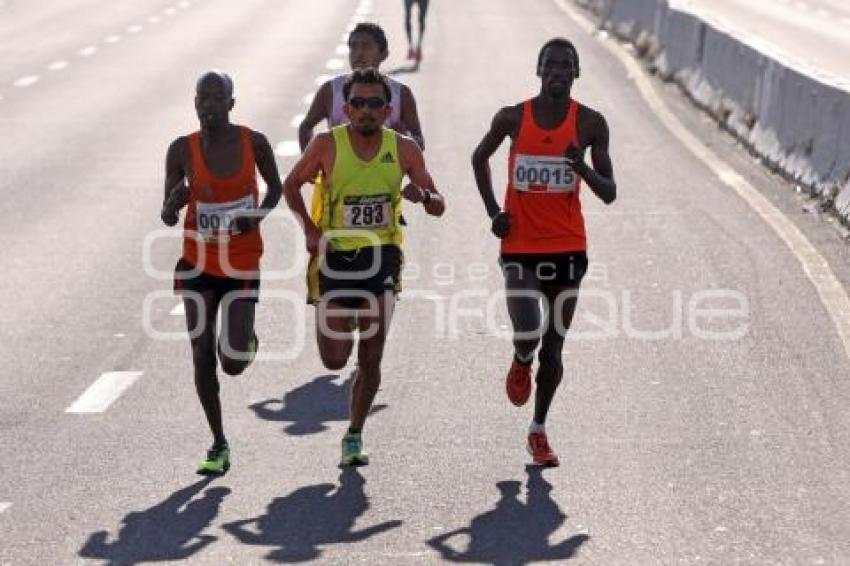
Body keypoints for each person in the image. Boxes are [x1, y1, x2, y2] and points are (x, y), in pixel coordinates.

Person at [284, 68, 445, 466]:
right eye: (358, 103)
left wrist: (422, 195)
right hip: (336, 258)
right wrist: (309, 227)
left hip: (382, 257)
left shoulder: (404, 149)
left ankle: (354, 434)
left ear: (388, 110)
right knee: (334, 360)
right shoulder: (326, 144)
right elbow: (291, 185)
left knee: (370, 358)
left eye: (375, 104)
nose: (366, 111)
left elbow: (440, 203)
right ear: (346, 108)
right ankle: (347, 323)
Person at [471, 38, 616, 467]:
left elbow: (609, 193)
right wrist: (494, 211)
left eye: (565, 66)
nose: (557, 71)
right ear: (538, 70)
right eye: (550, 65)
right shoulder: (513, 117)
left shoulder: (590, 124)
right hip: (519, 246)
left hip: (569, 247)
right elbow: (479, 158)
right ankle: (520, 360)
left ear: (576, 74)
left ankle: (538, 431)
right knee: (530, 330)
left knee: (554, 349)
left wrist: (582, 167)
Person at [161, 71, 283, 474]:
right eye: (203, 97)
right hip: (197, 263)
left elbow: (276, 189)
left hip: (242, 261)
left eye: (217, 97)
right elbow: (167, 211)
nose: (209, 104)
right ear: (195, 102)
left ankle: (245, 339)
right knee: (200, 354)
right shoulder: (181, 149)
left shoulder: (255, 142)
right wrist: (172, 205)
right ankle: (218, 442)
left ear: (232, 103)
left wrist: (256, 216)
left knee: (231, 361)